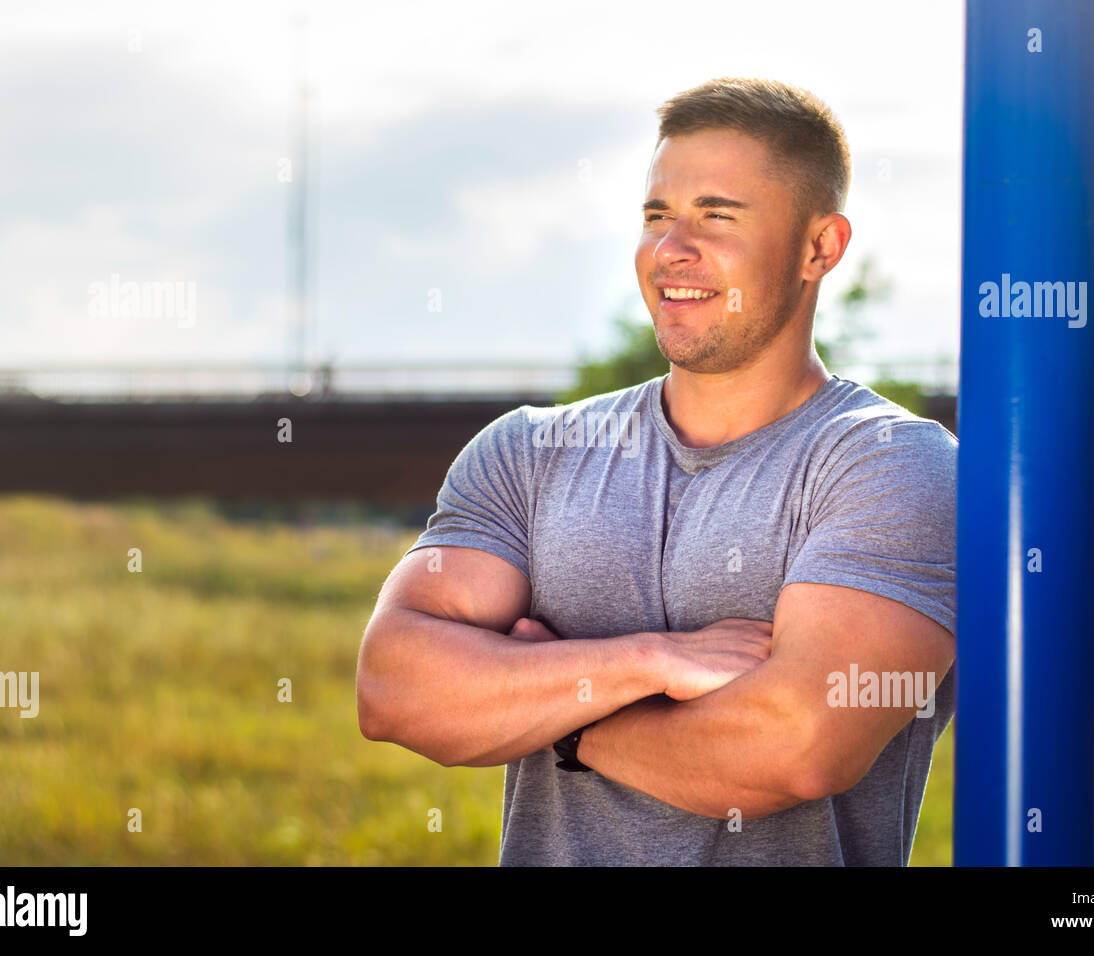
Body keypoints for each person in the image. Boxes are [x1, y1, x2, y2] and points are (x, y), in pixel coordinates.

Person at [356, 77, 957, 866]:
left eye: (716, 215)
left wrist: (566, 717)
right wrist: (649, 660)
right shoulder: (531, 452)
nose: (671, 249)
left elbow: (801, 746)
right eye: (656, 215)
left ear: (821, 247)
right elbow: (393, 690)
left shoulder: (894, 467)